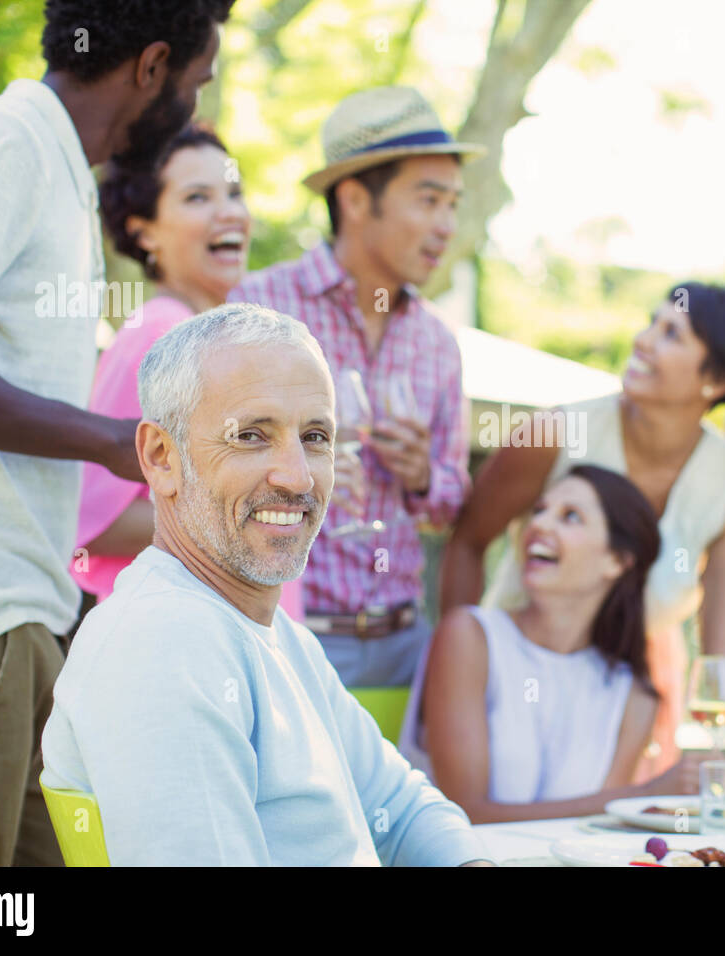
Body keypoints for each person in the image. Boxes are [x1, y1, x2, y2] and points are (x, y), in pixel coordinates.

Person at [0, 0, 233, 866]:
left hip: (26, 627)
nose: (194, 108)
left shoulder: (59, 168)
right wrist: (111, 440)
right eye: (196, 84)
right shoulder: (6, 142)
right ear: (152, 66)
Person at [42, 304, 491, 866]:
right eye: (252, 436)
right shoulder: (165, 644)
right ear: (161, 457)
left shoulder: (275, 636)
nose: (298, 476)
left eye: (316, 436)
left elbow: (403, 810)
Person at [441, 282, 725, 779]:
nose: (643, 340)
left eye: (671, 334)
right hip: (506, 689)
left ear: (716, 379)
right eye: (652, 322)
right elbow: (469, 540)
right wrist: (457, 675)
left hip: (617, 713)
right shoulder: (555, 432)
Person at [228, 85, 484, 689]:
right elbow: (209, 470)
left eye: (453, 203)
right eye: (428, 200)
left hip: (404, 645)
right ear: (354, 199)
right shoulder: (258, 307)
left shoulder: (438, 343)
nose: (446, 225)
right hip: (286, 638)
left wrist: (422, 475)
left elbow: (451, 505)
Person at [72, 123, 303, 620]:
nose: (230, 212)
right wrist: (251, 510)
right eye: (198, 197)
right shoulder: (156, 335)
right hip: (182, 638)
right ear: (143, 230)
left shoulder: (230, 339)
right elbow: (91, 522)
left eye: (235, 193)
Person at [401, 466, 709, 822]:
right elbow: (466, 815)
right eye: (540, 511)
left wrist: (633, 800)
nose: (540, 525)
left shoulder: (633, 695)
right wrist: (641, 797)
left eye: (570, 517)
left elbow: (595, 834)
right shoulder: (469, 639)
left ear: (617, 561)